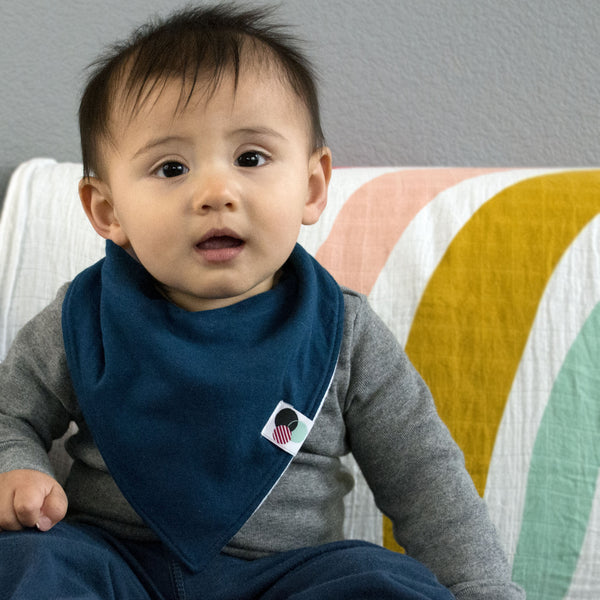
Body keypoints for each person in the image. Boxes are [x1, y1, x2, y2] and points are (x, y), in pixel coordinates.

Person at [0, 4, 525, 599]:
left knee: (384, 581)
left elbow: (424, 477)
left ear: (312, 185)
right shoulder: (83, 316)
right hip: (116, 564)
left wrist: (484, 590)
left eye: (251, 158)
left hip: (286, 578)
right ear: (107, 210)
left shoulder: (341, 331)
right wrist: (17, 468)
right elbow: (8, 414)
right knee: (29, 563)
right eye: (171, 167)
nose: (216, 193)